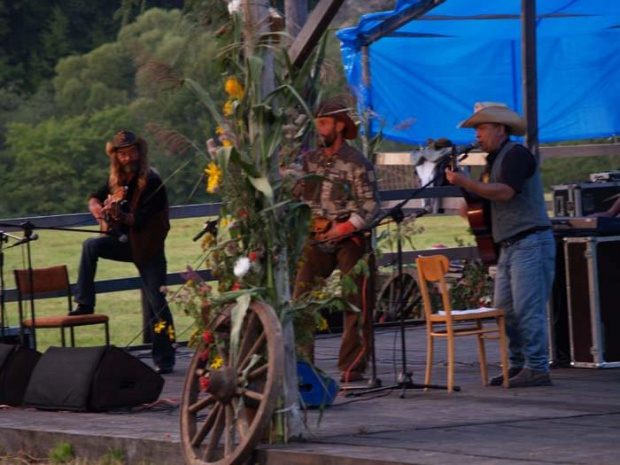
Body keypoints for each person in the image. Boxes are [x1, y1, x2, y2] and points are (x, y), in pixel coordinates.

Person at [445, 102, 555, 388]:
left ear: (499, 129)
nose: (477, 135)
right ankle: (518, 365)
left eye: (481, 128)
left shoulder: (516, 155)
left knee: (526, 308)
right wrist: (470, 204)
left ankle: (537, 367)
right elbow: (489, 200)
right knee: (505, 308)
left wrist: (468, 185)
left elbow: (505, 193)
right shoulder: (494, 161)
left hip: (529, 241)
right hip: (510, 244)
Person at [71, 130, 176, 374]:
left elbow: (141, 219)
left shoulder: (152, 181)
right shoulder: (115, 180)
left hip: (148, 247)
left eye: (130, 153)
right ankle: (85, 302)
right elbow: (94, 197)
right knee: (90, 245)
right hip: (122, 241)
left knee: (157, 302)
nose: (127, 159)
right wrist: (97, 207)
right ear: (116, 158)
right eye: (122, 155)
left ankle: (165, 357)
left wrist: (122, 216)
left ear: (140, 152)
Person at [293, 100, 380, 383]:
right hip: (316, 237)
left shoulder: (357, 162)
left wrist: (344, 227)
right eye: (317, 123)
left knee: (355, 300)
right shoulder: (309, 161)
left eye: (324, 123)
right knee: (301, 297)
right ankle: (301, 363)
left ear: (339, 125)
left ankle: (352, 365)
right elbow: (295, 194)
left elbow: (370, 206)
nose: (319, 129)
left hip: (349, 237)